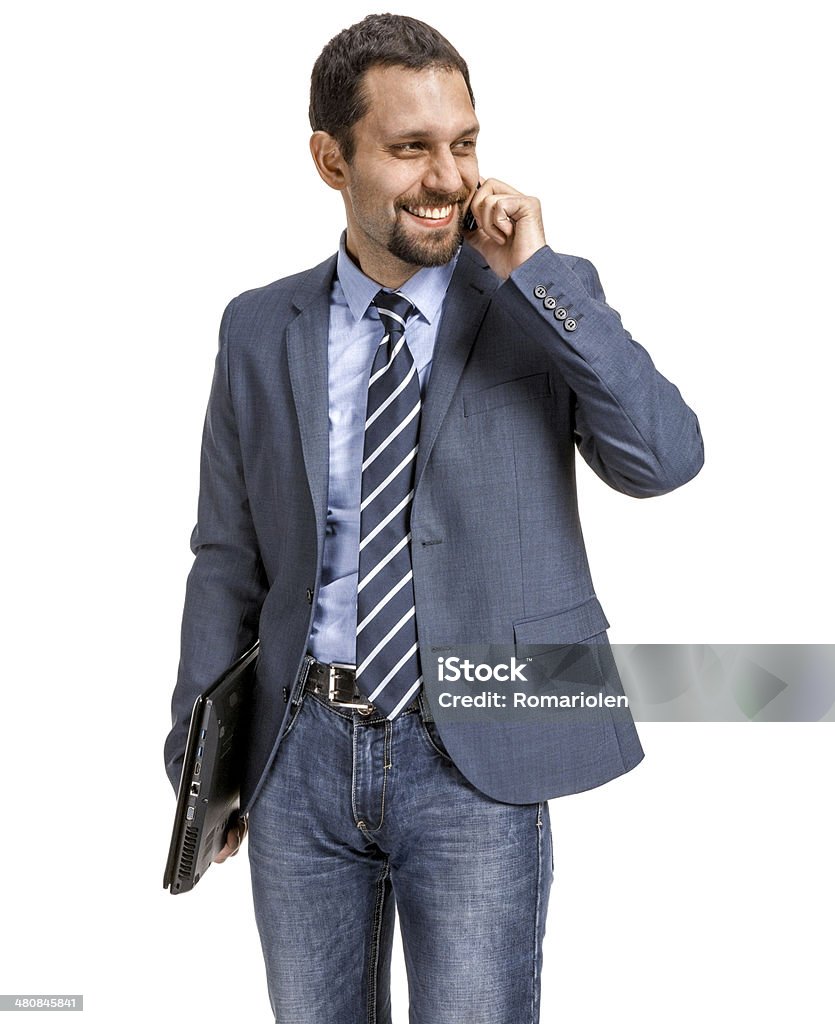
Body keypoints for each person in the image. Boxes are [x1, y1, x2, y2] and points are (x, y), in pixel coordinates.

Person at [165, 13, 704, 1023]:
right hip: (298, 753)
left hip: (478, 743)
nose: (448, 177)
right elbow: (227, 553)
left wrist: (539, 278)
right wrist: (200, 751)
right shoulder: (256, 325)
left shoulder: (535, 298)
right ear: (331, 158)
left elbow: (664, 460)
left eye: (463, 143)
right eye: (410, 147)